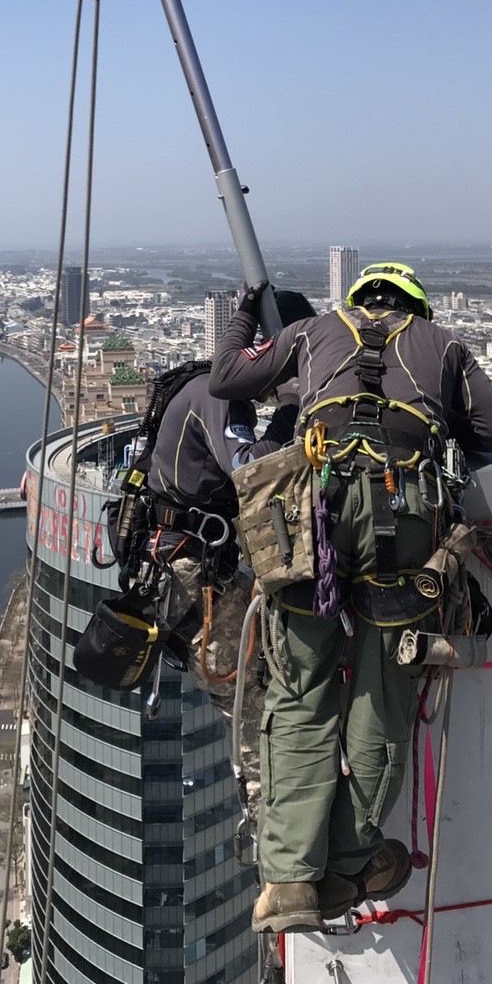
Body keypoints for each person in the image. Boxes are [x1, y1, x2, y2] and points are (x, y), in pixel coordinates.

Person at [208, 263, 492, 934]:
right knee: (383, 685)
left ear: (357, 301)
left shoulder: (314, 330)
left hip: (312, 515)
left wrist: (243, 314)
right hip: (402, 516)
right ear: (416, 307)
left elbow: (227, 377)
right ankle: (347, 863)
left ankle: (289, 880)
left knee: (301, 688)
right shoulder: (445, 345)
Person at [144, 288, 316, 828]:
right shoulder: (218, 397)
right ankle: (269, 821)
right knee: (245, 690)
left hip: (189, 562)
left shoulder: (206, 388)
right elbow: (249, 470)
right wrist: (289, 410)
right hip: (189, 570)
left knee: (259, 670)